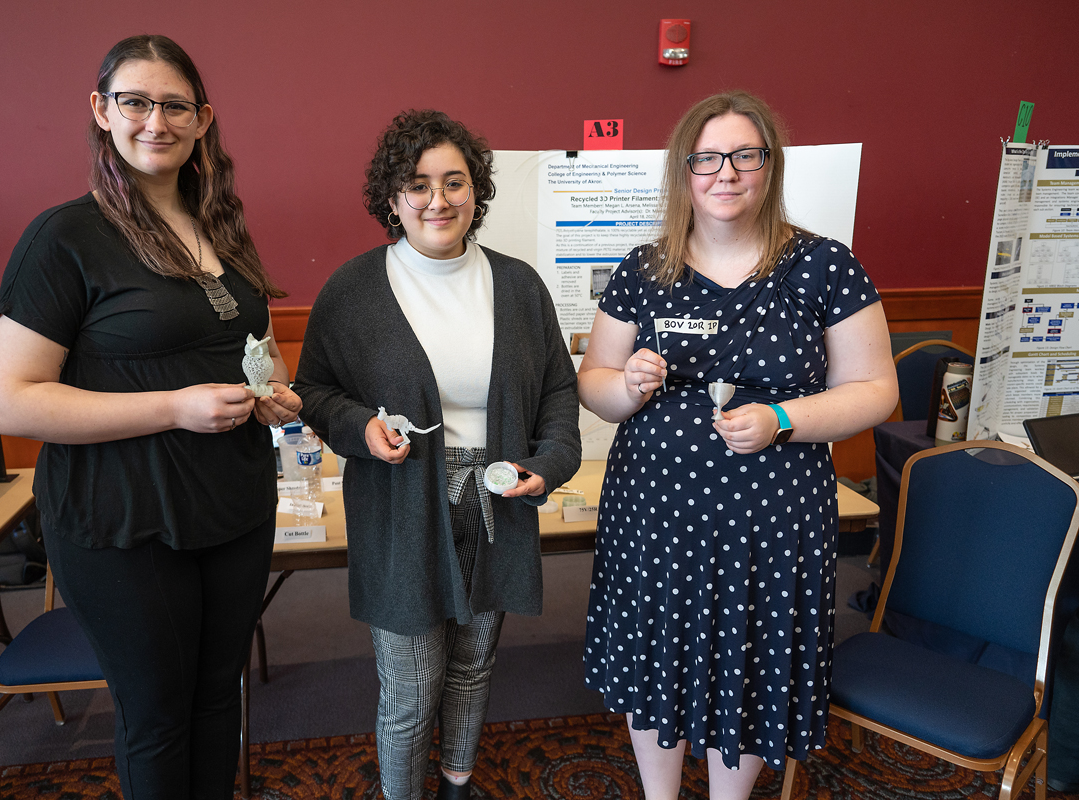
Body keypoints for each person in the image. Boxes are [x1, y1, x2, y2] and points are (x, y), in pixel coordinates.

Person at [0, 35, 301, 800]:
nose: (155, 121)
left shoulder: (222, 225)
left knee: (217, 697)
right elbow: (13, 400)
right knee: (157, 714)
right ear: (101, 111)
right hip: (125, 519)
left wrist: (273, 391)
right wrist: (175, 407)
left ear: (203, 120)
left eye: (175, 106)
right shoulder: (63, 239)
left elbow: (253, 346)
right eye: (135, 101)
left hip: (233, 507)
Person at [578, 91, 898, 800]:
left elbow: (877, 389)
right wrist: (626, 386)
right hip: (655, 515)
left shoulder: (824, 267)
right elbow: (592, 382)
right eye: (708, 157)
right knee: (654, 655)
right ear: (684, 171)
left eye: (745, 155)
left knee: (746, 661)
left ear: (769, 166)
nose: (727, 172)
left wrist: (782, 419)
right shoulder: (644, 269)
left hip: (771, 520)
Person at [294, 109, 581, 800]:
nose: (438, 200)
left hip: (496, 497)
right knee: (411, 682)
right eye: (417, 184)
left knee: (475, 662)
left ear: (477, 192)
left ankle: (456, 783)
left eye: (455, 182)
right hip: (401, 505)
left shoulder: (517, 286)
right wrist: (361, 426)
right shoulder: (353, 290)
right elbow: (314, 390)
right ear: (391, 198)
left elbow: (557, 394)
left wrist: (550, 462)